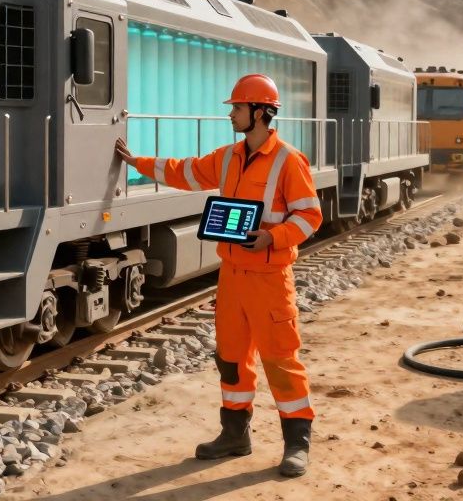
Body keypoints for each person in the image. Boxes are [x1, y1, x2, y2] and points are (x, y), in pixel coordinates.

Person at [114, 73, 321, 477]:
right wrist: (136, 161)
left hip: (269, 278)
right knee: (230, 359)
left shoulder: (288, 160)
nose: (231, 114)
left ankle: (297, 444)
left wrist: (272, 237)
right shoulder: (228, 157)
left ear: (261, 113)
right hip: (232, 277)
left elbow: (310, 215)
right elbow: (184, 171)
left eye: (238, 108)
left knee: (280, 360)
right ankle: (234, 436)